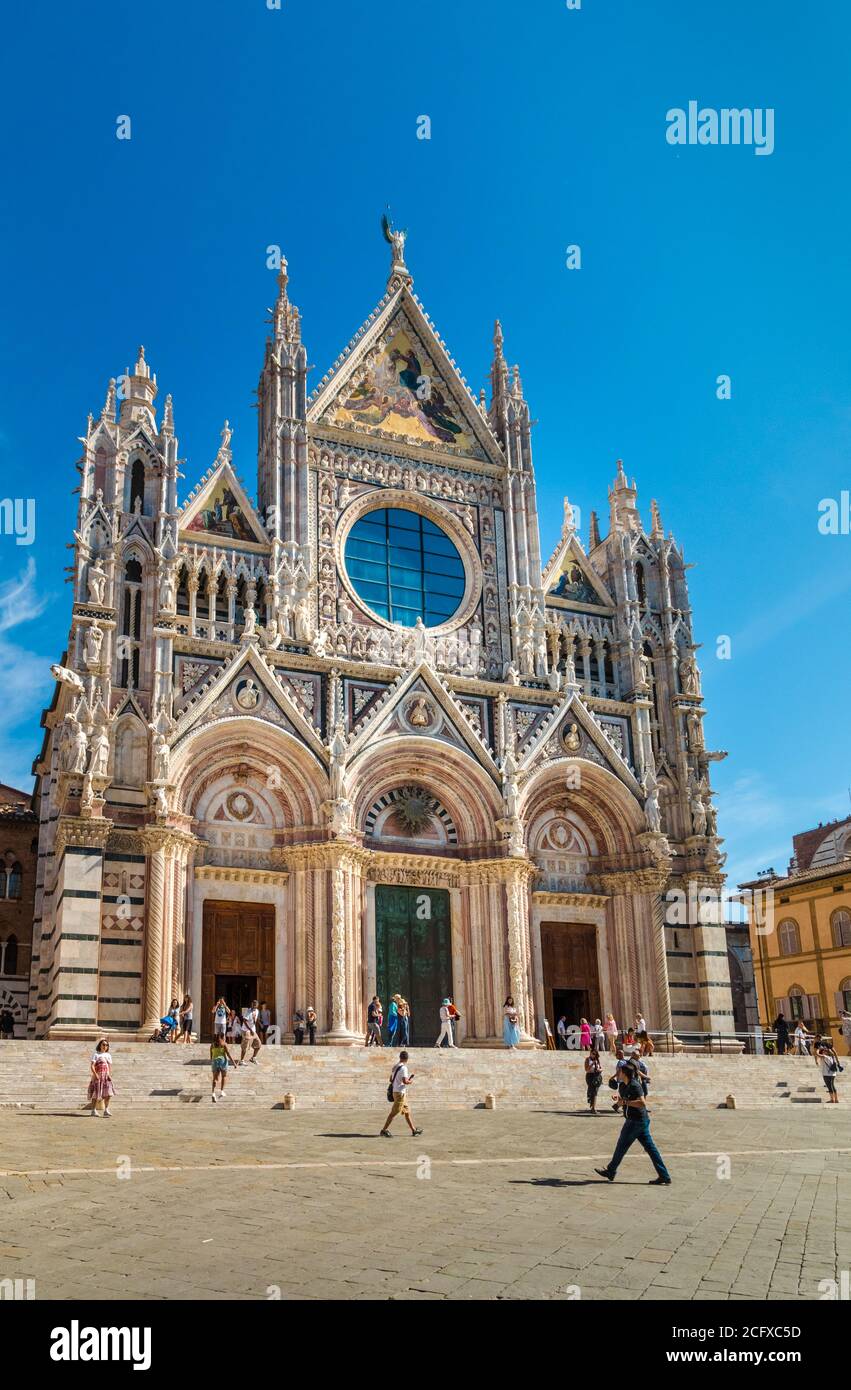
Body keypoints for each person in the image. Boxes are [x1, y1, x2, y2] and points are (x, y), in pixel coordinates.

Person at [595, 1059, 671, 1185]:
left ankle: (611, 1170)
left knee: (621, 1146)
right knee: (651, 1149)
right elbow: (626, 1099)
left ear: (625, 1073)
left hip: (636, 1121)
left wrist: (624, 1102)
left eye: (620, 1071)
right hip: (636, 1121)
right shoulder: (623, 1086)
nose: (617, 1073)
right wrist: (619, 1099)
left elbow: (642, 1102)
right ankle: (664, 1175)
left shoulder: (635, 1085)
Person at [380, 1050, 422, 1137]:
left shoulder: (395, 1067)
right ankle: (384, 1130)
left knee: (407, 1112)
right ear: (407, 1059)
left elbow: (391, 1080)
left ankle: (414, 1130)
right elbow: (405, 1081)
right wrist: (410, 1081)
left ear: (400, 1057)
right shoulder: (404, 1068)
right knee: (393, 1113)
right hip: (400, 1093)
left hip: (396, 1091)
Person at [88, 1039, 115, 1117]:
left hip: (106, 1076)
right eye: (103, 1044)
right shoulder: (96, 1054)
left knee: (109, 1093)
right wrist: (95, 1074)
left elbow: (109, 1066)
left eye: (106, 1045)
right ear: (100, 1045)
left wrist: (109, 1074)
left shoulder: (108, 1055)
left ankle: (106, 1110)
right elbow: (92, 1065)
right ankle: (93, 1110)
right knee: (95, 1094)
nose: (105, 1046)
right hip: (98, 1076)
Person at [816, 1036, 842, 1103]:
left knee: (829, 1087)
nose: (823, 1052)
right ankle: (836, 1099)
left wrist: (819, 1049)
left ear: (826, 1052)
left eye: (824, 1051)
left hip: (826, 1074)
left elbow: (817, 1054)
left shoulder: (825, 1056)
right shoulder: (832, 1057)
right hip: (833, 1073)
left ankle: (832, 1100)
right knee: (832, 1085)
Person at [210, 1036, 236, 1103]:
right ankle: (222, 1091)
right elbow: (228, 1054)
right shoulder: (224, 1044)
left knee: (215, 1078)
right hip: (223, 1062)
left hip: (215, 1062)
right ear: (221, 1038)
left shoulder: (212, 1045)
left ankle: (213, 1093)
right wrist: (234, 1063)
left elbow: (211, 1055)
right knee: (224, 1076)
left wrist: (212, 1061)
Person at [585, 1046, 603, 1113]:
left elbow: (601, 1068)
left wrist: (600, 1070)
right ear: (590, 1053)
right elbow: (586, 1069)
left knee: (595, 1091)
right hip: (590, 1076)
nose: (594, 1055)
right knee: (592, 1091)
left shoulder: (597, 1060)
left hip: (597, 1076)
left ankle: (593, 1108)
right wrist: (592, 1063)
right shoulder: (587, 1059)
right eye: (593, 1053)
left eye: (595, 1054)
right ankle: (593, 1107)